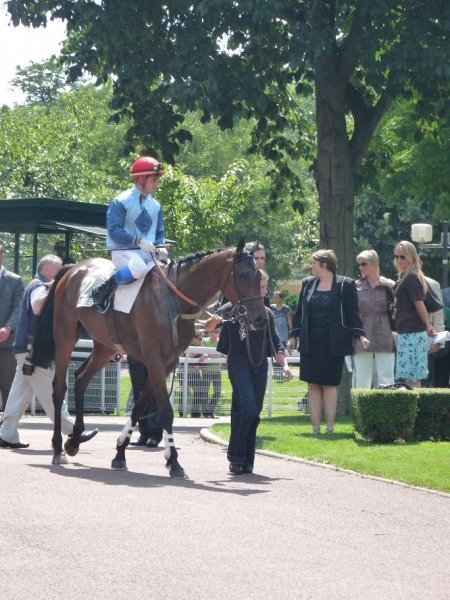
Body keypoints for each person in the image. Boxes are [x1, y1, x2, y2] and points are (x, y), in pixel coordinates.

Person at [0, 255, 98, 449]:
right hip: (34, 349)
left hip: (25, 348)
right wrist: (54, 286)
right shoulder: (39, 285)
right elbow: (37, 308)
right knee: (52, 390)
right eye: (59, 270)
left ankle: (7, 434)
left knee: (19, 393)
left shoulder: (36, 284)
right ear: (49, 270)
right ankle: (73, 430)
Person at [205, 270, 292, 475]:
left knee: (252, 413)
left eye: (264, 287)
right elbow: (209, 326)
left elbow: (277, 344)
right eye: (258, 287)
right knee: (249, 409)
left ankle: (245, 459)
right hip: (238, 366)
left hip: (260, 368)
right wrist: (215, 321)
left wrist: (285, 365)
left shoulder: (268, 313)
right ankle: (236, 455)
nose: (262, 291)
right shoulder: (232, 308)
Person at [287, 249, 369, 435]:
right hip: (310, 342)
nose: (311, 266)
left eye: (314, 263)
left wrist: (360, 335)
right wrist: (293, 336)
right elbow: (299, 312)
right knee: (313, 384)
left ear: (324, 264)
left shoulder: (345, 284)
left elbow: (352, 314)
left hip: (333, 343)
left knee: (330, 385)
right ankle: (315, 429)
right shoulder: (308, 283)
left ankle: (330, 428)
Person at [92, 156, 166, 311]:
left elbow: (159, 233)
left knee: (167, 270)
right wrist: (138, 241)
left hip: (148, 252)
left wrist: (160, 246)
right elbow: (114, 231)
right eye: (154, 180)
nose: (157, 185)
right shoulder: (120, 201)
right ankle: (104, 289)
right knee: (139, 268)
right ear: (140, 179)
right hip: (124, 250)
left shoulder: (156, 206)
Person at [393, 241, 435, 389]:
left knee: (413, 378)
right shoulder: (408, 276)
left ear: (411, 257)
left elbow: (419, 304)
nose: (398, 260)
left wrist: (428, 325)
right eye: (396, 256)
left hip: (413, 332)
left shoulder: (411, 277)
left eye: (402, 257)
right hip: (408, 332)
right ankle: (413, 409)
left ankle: (416, 410)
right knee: (410, 377)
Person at [353, 250, 396, 388]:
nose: (361, 267)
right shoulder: (355, 286)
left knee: (386, 378)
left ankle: (386, 408)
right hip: (362, 333)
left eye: (364, 264)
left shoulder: (388, 285)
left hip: (384, 332)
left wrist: (392, 286)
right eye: (359, 265)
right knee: (362, 379)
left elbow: (401, 305)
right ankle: (360, 409)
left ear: (374, 263)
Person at [0, 243, 24, 411]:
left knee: (7, 384)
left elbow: (19, 307)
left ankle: (7, 430)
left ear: (1, 255)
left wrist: (8, 328)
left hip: (5, 343)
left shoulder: (14, 281)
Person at [127, 356, 163, 447]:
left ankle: (154, 434)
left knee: (154, 395)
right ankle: (144, 434)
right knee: (139, 396)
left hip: (155, 357)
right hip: (135, 357)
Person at [201, 325, 223, 418]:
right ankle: (206, 412)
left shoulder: (221, 342)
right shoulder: (205, 341)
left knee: (217, 391)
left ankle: (210, 410)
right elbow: (203, 353)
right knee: (205, 391)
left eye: (217, 332)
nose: (216, 334)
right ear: (210, 332)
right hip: (206, 371)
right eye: (214, 332)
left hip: (217, 371)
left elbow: (223, 353)